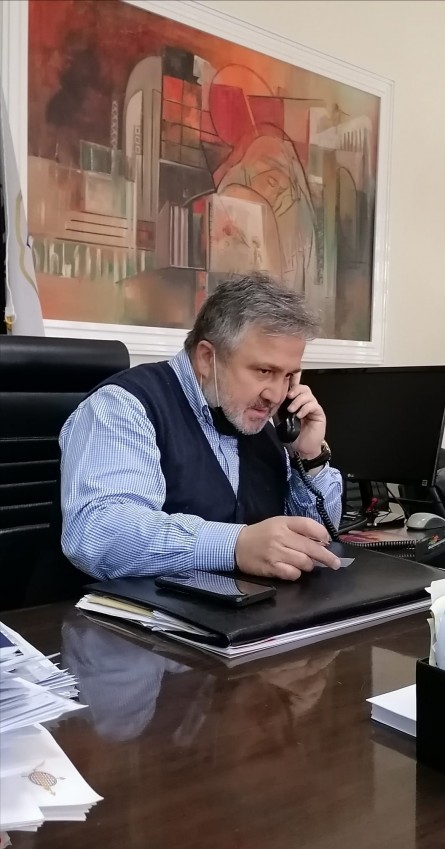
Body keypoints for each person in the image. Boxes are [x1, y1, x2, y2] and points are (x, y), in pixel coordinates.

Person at [60, 273, 343, 582]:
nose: (276, 395)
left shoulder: (258, 421)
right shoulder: (125, 405)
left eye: (288, 376)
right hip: (115, 610)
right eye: (264, 371)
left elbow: (317, 543)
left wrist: (309, 458)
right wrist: (234, 545)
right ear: (207, 358)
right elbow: (97, 533)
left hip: (243, 607)